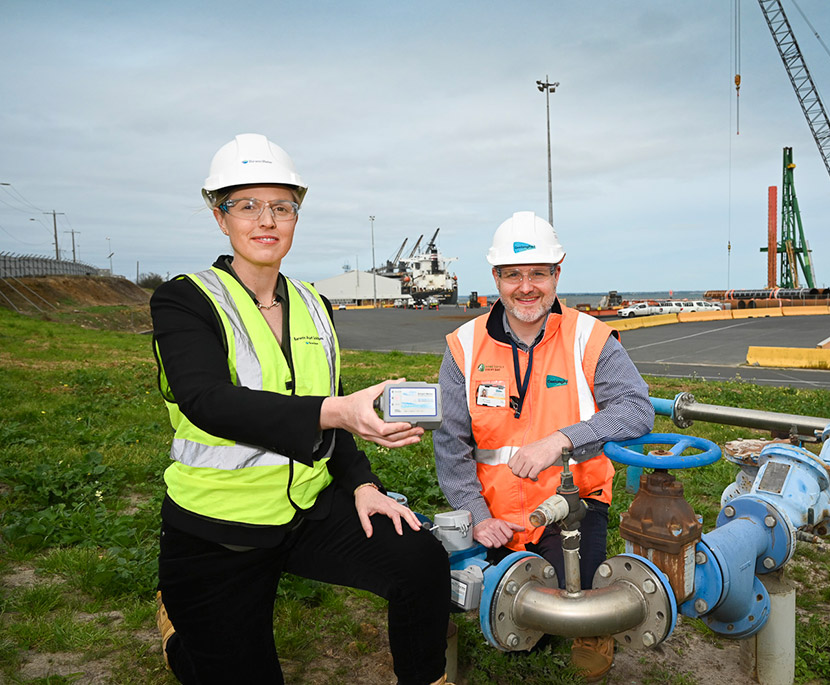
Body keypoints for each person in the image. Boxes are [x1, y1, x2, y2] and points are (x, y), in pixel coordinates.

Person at [150, 133, 453, 685]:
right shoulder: (186, 300)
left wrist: (362, 484)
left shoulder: (315, 304)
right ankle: (179, 630)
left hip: (308, 510)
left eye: (281, 206)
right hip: (220, 527)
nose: (266, 219)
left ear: (296, 216)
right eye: (246, 205)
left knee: (420, 562)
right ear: (220, 218)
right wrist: (337, 412)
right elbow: (207, 402)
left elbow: (330, 407)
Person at [433, 211, 655, 681]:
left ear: (558, 272)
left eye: (538, 273)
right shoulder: (464, 345)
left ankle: (595, 627)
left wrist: (560, 441)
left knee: (577, 608)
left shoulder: (589, 337)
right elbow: (450, 442)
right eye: (513, 275)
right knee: (500, 606)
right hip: (493, 511)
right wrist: (475, 513)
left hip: (572, 507)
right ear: (496, 277)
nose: (526, 287)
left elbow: (636, 409)